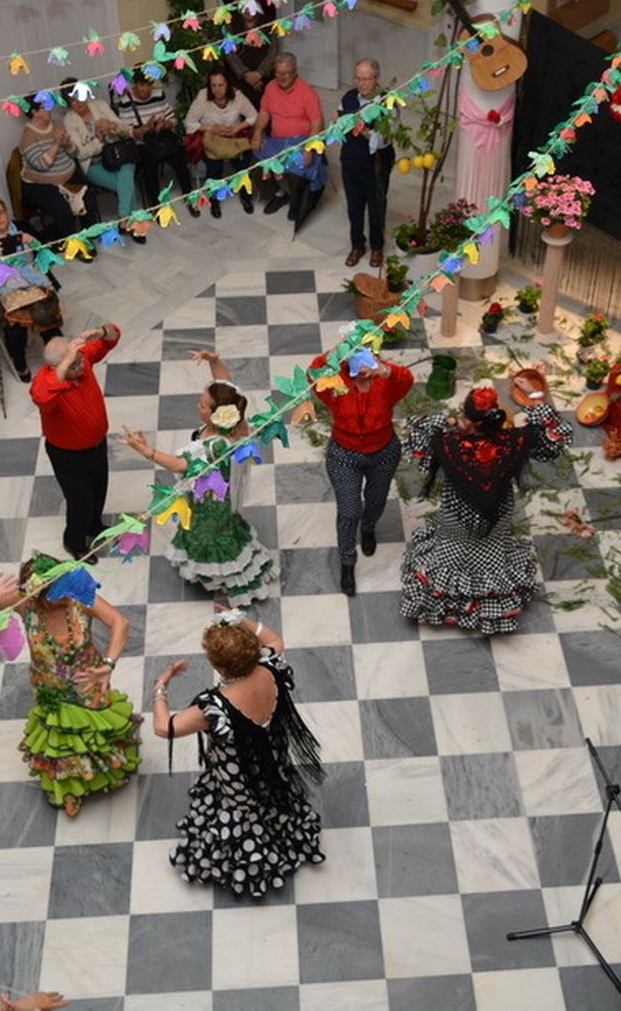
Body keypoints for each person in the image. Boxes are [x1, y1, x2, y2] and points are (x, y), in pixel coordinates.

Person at [154, 611, 324, 897]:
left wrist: (161, 684)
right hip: (273, 758)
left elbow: (164, 727)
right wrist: (239, 621)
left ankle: (249, 859)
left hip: (239, 775)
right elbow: (274, 639)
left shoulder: (214, 707)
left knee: (242, 807)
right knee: (273, 792)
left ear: (217, 664)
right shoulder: (271, 667)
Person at [0, 559, 140, 816]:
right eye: (54, 595)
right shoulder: (25, 602)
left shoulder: (79, 595)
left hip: (89, 682)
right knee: (60, 740)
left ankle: (101, 771)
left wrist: (109, 663)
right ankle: (69, 788)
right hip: (49, 686)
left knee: (93, 732)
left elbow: (120, 622)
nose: (63, 598)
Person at [399, 384, 572, 633]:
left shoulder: (449, 443)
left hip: (457, 515)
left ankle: (448, 607)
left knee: (449, 555)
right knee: (491, 554)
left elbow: (416, 426)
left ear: (469, 420)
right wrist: (536, 402)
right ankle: (488, 608)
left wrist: (450, 421)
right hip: (497, 515)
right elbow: (557, 433)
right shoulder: (514, 441)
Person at [121, 351, 278, 606]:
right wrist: (214, 361)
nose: (198, 406)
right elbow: (227, 386)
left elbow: (181, 465)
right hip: (214, 490)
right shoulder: (234, 421)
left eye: (203, 405)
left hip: (210, 498)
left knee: (207, 534)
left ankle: (229, 577)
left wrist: (144, 449)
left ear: (217, 414)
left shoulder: (216, 445)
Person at [307, 350, 414, 596]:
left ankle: (368, 528)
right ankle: (347, 562)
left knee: (376, 500)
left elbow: (406, 380)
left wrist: (384, 369)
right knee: (348, 512)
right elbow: (312, 375)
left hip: (384, 451)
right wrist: (335, 353)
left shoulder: (385, 380)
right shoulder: (336, 382)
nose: (362, 369)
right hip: (344, 455)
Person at [30, 328, 117, 561]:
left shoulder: (81, 359)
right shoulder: (46, 382)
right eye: (73, 365)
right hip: (69, 456)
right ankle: (75, 542)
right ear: (55, 367)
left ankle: (94, 525)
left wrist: (101, 331)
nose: (80, 366)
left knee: (99, 489)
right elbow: (41, 397)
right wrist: (66, 362)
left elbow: (113, 337)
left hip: (97, 445)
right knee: (80, 501)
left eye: (80, 361)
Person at [0, 196, 66, 380]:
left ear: (6, 211)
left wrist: (33, 241)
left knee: (45, 314)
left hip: (31, 281)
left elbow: (46, 251)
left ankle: (58, 354)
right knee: (14, 327)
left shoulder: (22, 226)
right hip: (4, 289)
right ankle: (19, 362)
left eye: (0, 212)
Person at [252, 53, 326, 218]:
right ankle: (278, 194)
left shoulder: (307, 92)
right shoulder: (271, 87)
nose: (282, 77)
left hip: (301, 141)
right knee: (257, 166)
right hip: (277, 141)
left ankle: (296, 203)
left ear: (295, 71)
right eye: (279, 73)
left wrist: (309, 148)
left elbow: (317, 123)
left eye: (287, 73)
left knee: (296, 171)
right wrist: (257, 133)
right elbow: (264, 113)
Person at [338, 58, 395, 268]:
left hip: (376, 165)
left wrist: (362, 129)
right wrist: (339, 123)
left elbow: (384, 140)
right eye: (358, 79)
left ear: (377, 78)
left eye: (366, 79)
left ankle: (377, 247)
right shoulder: (349, 97)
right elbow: (339, 120)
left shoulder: (387, 103)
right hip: (350, 161)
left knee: (376, 207)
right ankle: (357, 245)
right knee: (354, 206)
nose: (361, 84)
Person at [113, 72, 196, 215]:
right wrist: (145, 129)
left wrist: (165, 125)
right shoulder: (125, 101)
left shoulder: (159, 94)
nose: (146, 89)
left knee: (179, 158)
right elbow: (125, 132)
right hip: (142, 142)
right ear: (135, 84)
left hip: (161, 137)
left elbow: (172, 118)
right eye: (142, 85)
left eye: (149, 85)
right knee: (149, 166)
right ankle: (155, 205)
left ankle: (189, 195)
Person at [59, 80, 139, 225]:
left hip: (119, 154)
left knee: (127, 172)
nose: (78, 103)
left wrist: (111, 125)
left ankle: (123, 218)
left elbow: (126, 131)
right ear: (68, 104)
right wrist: (98, 141)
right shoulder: (69, 120)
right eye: (73, 101)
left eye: (80, 97)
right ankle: (132, 222)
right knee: (125, 184)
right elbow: (80, 154)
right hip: (93, 163)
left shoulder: (100, 105)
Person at [18, 100, 94, 243]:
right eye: (45, 106)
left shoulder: (57, 125)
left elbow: (74, 153)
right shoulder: (27, 136)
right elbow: (41, 165)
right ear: (34, 112)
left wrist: (68, 144)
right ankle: (74, 244)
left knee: (88, 197)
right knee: (62, 210)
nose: (50, 108)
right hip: (41, 184)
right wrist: (56, 143)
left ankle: (90, 234)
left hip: (69, 175)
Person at [185, 69, 257, 218]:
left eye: (221, 85)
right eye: (213, 85)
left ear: (228, 85)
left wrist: (237, 127)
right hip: (212, 139)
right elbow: (189, 123)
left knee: (243, 163)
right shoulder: (203, 96)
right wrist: (211, 128)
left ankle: (246, 197)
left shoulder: (237, 96)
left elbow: (253, 116)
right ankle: (214, 201)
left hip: (233, 137)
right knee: (214, 167)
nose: (217, 89)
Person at [225, 6, 279, 108]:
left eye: (250, 6)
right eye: (244, 7)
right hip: (240, 79)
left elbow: (274, 51)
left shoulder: (269, 23)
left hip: (265, 78)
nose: (247, 10)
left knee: (266, 108)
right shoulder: (231, 24)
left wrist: (259, 73)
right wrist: (245, 74)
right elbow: (229, 53)